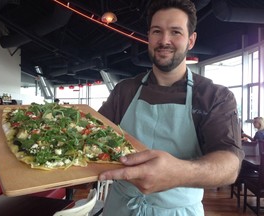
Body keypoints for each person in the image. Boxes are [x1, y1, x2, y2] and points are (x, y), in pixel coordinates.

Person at [97, 0, 244, 215]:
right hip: (121, 207)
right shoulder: (124, 91)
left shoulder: (214, 97)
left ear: (191, 40)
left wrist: (179, 172)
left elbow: (230, 166)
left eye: (176, 32)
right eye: (157, 31)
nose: (164, 40)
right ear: (148, 37)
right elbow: (94, 137)